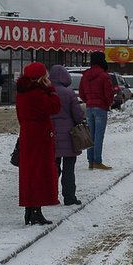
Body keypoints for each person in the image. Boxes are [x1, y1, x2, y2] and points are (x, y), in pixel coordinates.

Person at [16, 62, 61, 225]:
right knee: (39, 173)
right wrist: (51, 90)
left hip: (28, 133)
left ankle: (30, 209)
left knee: (29, 172)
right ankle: (36, 211)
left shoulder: (22, 93)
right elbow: (54, 107)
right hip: (39, 135)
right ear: (41, 78)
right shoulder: (38, 94)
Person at [49, 65, 85, 206]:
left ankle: (51, 196)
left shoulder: (47, 92)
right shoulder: (69, 93)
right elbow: (77, 115)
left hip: (51, 135)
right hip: (69, 136)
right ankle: (69, 197)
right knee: (69, 169)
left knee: (53, 168)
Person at [79, 51, 113, 170]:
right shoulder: (104, 75)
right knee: (98, 136)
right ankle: (97, 161)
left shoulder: (85, 75)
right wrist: (107, 104)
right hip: (100, 108)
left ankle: (90, 161)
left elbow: (81, 93)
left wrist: (88, 101)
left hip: (89, 107)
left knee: (90, 136)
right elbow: (109, 93)